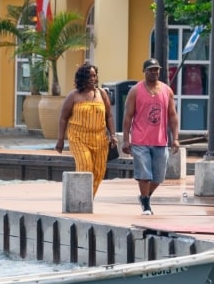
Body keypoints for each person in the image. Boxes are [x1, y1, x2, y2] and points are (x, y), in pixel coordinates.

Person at [121, 58, 180, 215]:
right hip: (140, 139)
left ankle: (144, 196)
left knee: (158, 177)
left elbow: (173, 116)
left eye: (156, 69)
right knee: (144, 174)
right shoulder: (135, 90)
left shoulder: (167, 91)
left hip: (160, 140)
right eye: (151, 69)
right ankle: (146, 204)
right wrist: (126, 140)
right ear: (144, 71)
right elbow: (127, 117)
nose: (154, 72)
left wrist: (175, 138)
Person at [55, 63, 115, 196]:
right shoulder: (73, 95)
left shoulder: (102, 94)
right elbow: (63, 118)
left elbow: (109, 116)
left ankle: (87, 199)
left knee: (99, 172)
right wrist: (60, 140)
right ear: (82, 78)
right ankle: (80, 199)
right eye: (89, 76)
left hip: (100, 139)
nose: (93, 78)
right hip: (79, 137)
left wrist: (113, 135)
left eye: (95, 75)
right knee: (85, 166)